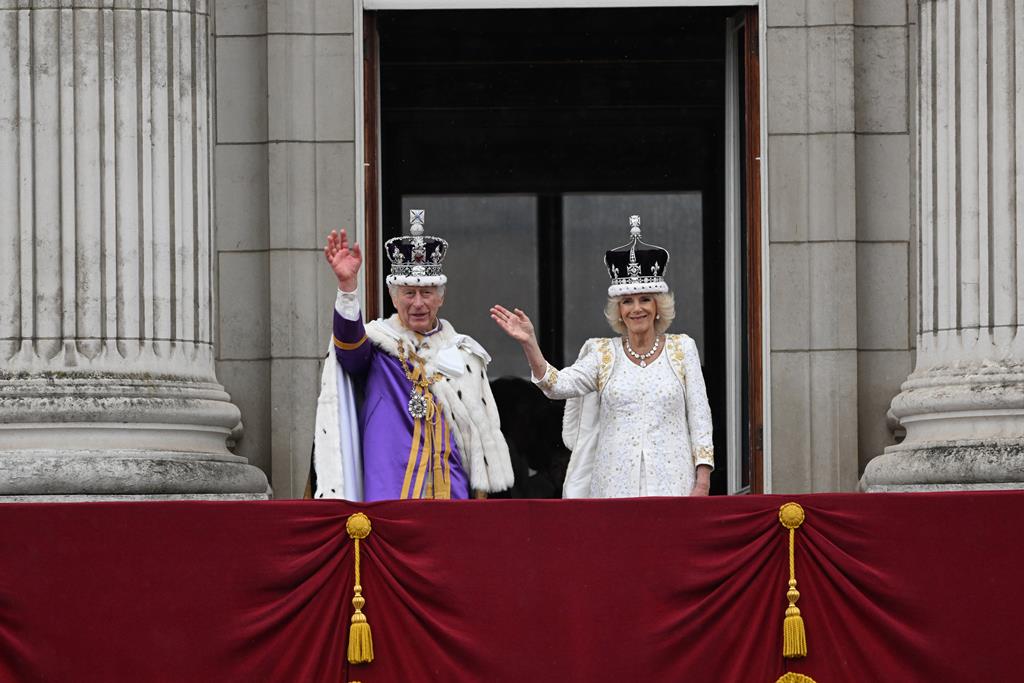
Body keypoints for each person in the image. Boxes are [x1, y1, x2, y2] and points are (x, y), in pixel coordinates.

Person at [491, 215, 713, 498]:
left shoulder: (683, 349)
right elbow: (556, 386)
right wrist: (529, 343)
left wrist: (702, 482)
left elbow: (700, 418)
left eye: (645, 299)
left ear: (658, 306)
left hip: (673, 484)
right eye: (627, 302)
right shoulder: (602, 353)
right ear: (618, 310)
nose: (637, 309)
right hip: (613, 486)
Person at [309, 210, 514, 501]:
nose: (418, 303)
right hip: (390, 492)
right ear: (393, 297)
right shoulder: (379, 346)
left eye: (427, 293)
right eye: (408, 293)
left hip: (450, 493)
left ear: (441, 297)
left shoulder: (464, 354)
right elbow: (349, 349)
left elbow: (478, 441)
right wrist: (347, 289)